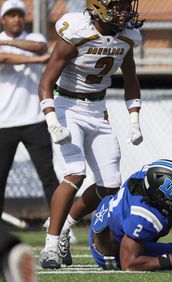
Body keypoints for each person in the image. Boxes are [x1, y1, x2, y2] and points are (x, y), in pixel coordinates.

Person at [38, 0, 145, 269]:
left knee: (110, 184)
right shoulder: (77, 30)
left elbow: (131, 79)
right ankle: (50, 247)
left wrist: (134, 120)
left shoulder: (127, 37)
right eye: (118, 5)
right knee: (75, 172)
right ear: (99, 6)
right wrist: (51, 118)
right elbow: (46, 80)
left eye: (125, 5)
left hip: (98, 108)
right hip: (67, 105)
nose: (125, 11)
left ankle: (64, 227)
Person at [0, 0, 58, 215]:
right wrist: (37, 59)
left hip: (35, 120)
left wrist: (13, 44)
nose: (16, 19)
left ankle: (61, 226)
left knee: (48, 175)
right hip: (3, 122)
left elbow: (39, 48)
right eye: (11, 15)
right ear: (3, 19)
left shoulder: (34, 37)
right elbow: (3, 57)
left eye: (19, 15)